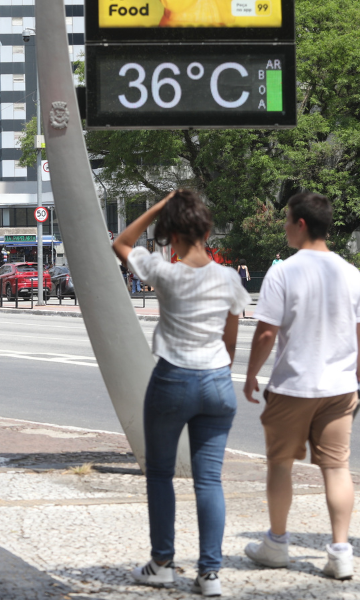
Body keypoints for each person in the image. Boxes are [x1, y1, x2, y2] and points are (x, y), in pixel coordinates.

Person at [113, 190, 251, 597]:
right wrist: (216, 372)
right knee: (209, 481)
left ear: (171, 235)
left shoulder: (165, 273)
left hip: (172, 378)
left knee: (160, 474)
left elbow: (121, 243)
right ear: (207, 232)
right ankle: (210, 574)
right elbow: (230, 344)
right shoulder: (229, 279)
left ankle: (161, 564)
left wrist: (163, 205)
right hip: (217, 381)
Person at [242, 191, 360, 580]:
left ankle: (276, 544)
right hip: (339, 388)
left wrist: (250, 374)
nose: (284, 227)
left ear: (301, 224)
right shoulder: (350, 272)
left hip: (293, 385)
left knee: (280, 464)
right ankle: (341, 553)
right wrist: (358, 375)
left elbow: (267, 333)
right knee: (337, 467)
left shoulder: (284, 272)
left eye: (286, 221)